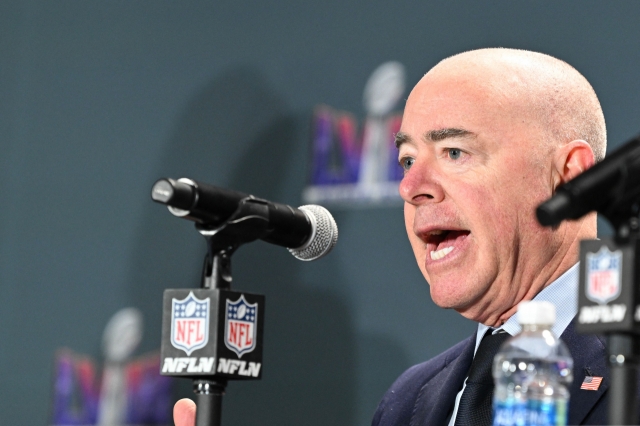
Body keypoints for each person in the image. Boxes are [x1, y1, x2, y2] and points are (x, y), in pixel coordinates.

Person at [173, 47, 611, 426]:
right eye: (406, 160)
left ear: (570, 175)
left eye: (454, 152)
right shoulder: (410, 400)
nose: (410, 187)